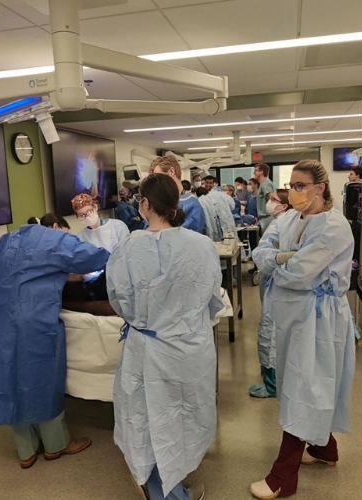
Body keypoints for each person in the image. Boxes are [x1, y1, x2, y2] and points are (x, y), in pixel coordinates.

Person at [106, 173, 224, 500]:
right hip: (188, 348)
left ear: (144, 204)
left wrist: (145, 318)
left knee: (148, 417)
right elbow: (213, 297)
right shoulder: (201, 246)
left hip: (146, 347)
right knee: (184, 416)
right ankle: (170, 490)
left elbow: (118, 299)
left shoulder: (127, 249)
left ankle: (160, 484)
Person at [250, 160, 355, 500]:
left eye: (299, 185)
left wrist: (282, 262)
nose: (292, 192)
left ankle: (283, 477)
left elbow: (300, 274)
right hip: (293, 316)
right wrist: (284, 257)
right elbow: (260, 253)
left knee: (306, 389)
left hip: (318, 320)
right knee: (302, 385)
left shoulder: (334, 227)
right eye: (291, 185)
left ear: (319, 188)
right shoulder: (292, 218)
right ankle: (326, 450)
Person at [0, 214, 110, 469]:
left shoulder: (6, 240)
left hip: (0, 319)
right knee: (42, 381)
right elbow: (97, 257)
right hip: (35, 321)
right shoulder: (54, 239)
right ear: (57, 227)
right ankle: (56, 445)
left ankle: (26, 451)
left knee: (9, 382)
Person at [249, 190, 291, 399]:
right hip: (283, 284)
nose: (269, 203)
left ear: (284, 205)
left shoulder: (280, 224)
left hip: (278, 284)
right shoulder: (289, 221)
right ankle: (279, 376)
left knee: (271, 332)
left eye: (274, 200)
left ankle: (272, 383)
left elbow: (263, 257)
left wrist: (272, 258)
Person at [150, 156, 206, 234]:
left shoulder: (191, 204)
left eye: (159, 178)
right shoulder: (158, 202)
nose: (157, 184)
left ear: (172, 172)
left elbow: (194, 236)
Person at [253, 163, 276, 233]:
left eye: (256, 171)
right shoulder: (264, 184)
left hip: (267, 217)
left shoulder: (265, 184)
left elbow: (272, 199)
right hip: (266, 217)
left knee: (269, 241)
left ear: (261, 172)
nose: (254, 173)